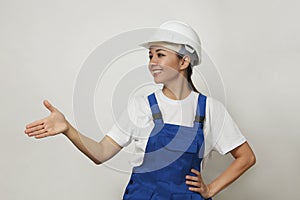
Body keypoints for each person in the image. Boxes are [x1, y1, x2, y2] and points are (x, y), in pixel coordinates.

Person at [24, 21, 256, 199]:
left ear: (184, 62)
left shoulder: (210, 110)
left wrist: (211, 189)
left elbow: (246, 157)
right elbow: (101, 152)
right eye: (150, 55)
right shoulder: (141, 106)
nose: (152, 62)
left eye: (161, 55)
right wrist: (68, 129)